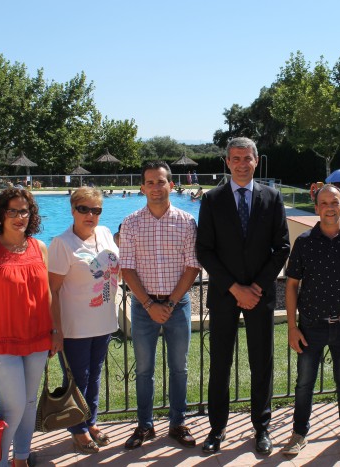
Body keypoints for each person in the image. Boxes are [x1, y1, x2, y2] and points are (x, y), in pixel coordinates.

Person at [196, 137, 290, 454]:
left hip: (260, 296)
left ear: (256, 160)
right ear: (227, 162)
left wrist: (256, 288)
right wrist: (235, 288)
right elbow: (204, 251)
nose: (240, 164)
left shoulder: (272, 198)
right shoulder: (212, 200)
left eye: (246, 158)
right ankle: (217, 429)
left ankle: (262, 428)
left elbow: (282, 248)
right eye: (235, 158)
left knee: (261, 363)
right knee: (220, 364)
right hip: (224, 296)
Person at [281, 185, 340, 463]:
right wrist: (292, 327)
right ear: (316, 207)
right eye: (324, 203)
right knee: (304, 384)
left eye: (335, 202)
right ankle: (299, 433)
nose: (330, 207)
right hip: (311, 326)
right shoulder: (305, 242)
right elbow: (292, 285)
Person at [0, 188, 57, 467]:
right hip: (0, 343)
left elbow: (47, 294)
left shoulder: (39, 248)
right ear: (1, 215)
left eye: (24, 211)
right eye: (12, 211)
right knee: (14, 406)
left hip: (37, 340)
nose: (20, 217)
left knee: (29, 403)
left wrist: (54, 332)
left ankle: (21, 458)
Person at [120, 161, 201, 449]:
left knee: (179, 368)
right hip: (143, 308)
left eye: (161, 181)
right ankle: (145, 425)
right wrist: (149, 303)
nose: (156, 187)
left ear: (171, 184)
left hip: (177, 307)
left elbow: (192, 266)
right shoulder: (130, 223)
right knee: (144, 370)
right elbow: (126, 268)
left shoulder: (186, 222)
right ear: (142, 187)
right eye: (150, 182)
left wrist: (169, 302)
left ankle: (178, 422)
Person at [48, 187, 120, 454]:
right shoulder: (62, 244)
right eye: (84, 209)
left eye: (96, 210)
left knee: (95, 376)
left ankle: (90, 421)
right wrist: (55, 329)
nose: (90, 215)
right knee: (79, 379)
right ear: (73, 210)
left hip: (103, 322)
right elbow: (52, 290)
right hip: (75, 327)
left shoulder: (104, 233)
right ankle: (77, 430)